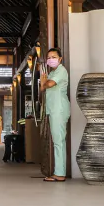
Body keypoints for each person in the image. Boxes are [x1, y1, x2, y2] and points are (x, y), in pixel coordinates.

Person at [40, 48, 70, 182]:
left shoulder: (61, 71)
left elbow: (49, 84)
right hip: (53, 109)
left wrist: (45, 82)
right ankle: (59, 171)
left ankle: (60, 173)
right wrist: (44, 83)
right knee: (57, 140)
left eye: (54, 57)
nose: (51, 59)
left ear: (60, 59)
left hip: (59, 109)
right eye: (49, 57)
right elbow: (42, 87)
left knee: (59, 141)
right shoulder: (52, 73)